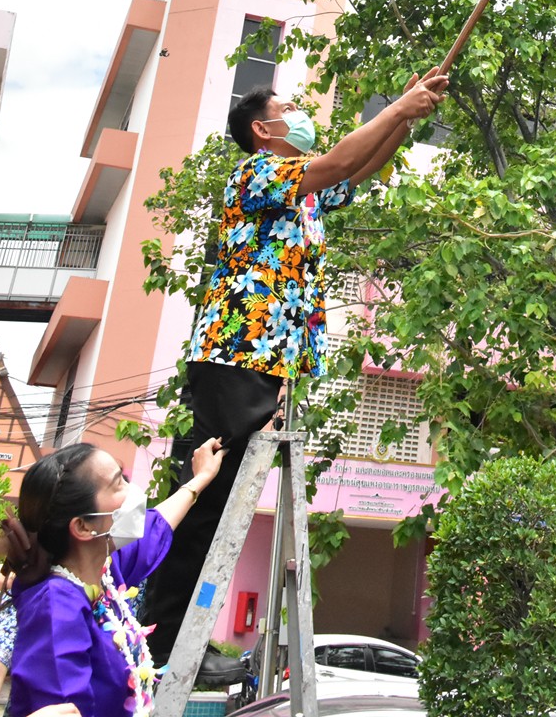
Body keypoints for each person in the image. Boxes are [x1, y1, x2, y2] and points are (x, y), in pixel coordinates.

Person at [144, 68, 448, 666]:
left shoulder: (302, 190)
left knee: (223, 501)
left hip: (266, 359)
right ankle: (164, 641)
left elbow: (358, 169)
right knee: (207, 497)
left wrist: (407, 115)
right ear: (262, 130)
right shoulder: (256, 173)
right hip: (235, 352)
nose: (301, 116)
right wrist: (397, 108)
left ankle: (179, 639)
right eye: (287, 109)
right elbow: (337, 162)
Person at [0, 436, 225, 717]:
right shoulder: (56, 606)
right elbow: (64, 709)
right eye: (119, 483)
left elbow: (156, 525)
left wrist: (200, 478)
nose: (133, 491)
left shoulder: (104, 570)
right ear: (83, 527)